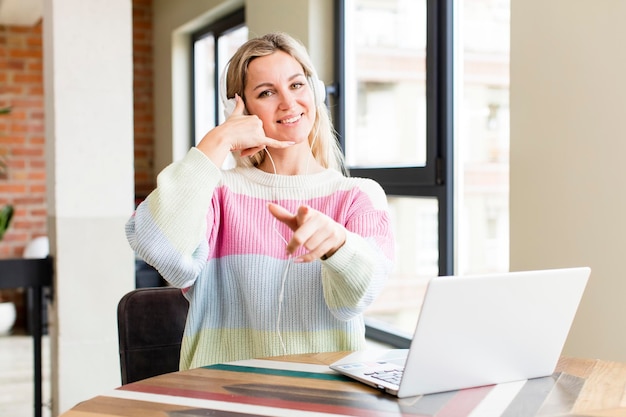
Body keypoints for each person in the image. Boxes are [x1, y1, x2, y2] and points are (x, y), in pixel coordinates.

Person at [126, 32, 395, 370]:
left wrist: (338, 245)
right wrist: (220, 138)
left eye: (296, 85)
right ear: (240, 109)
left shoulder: (359, 195)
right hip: (223, 399)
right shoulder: (217, 192)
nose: (288, 103)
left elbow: (358, 297)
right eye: (267, 92)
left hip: (323, 401)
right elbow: (155, 242)